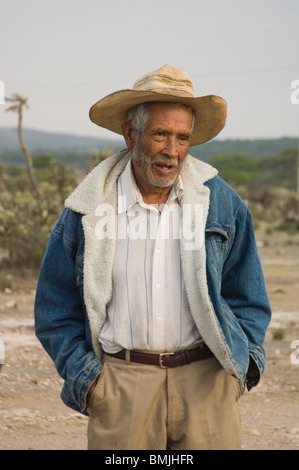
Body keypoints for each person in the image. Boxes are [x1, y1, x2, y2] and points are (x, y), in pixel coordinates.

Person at [34, 65, 271, 450]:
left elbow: (249, 299)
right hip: (121, 386)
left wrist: (241, 372)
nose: (172, 151)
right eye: (160, 134)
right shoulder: (88, 209)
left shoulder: (221, 204)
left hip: (206, 383)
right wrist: (91, 382)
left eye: (182, 137)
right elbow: (53, 306)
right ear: (131, 134)